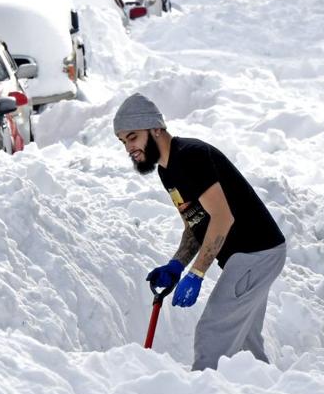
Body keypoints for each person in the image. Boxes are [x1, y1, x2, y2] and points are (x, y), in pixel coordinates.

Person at [114, 93, 287, 371]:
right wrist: (176, 265)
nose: (128, 148)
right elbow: (196, 222)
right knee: (245, 347)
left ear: (155, 128)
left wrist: (197, 273)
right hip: (254, 254)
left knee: (212, 335)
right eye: (123, 141)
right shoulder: (167, 170)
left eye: (132, 137)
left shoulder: (191, 157)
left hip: (255, 252)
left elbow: (221, 217)